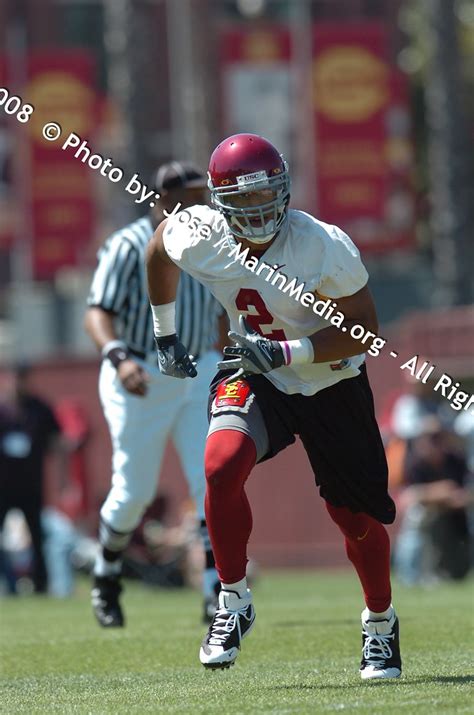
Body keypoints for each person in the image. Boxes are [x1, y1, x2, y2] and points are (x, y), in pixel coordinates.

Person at [146, 133, 402, 679]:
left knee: (353, 517)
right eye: (244, 201)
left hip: (329, 380)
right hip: (255, 373)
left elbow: (365, 333)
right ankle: (232, 598)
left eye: (268, 197)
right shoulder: (201, 235)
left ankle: (380, 624)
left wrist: (287, 349)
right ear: (218, 202)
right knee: (219, 464)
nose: (259, 212)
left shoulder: (322, 244)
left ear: (285, 191)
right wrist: (163, 334)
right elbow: (158, 247)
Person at [85, 161, 226, 627]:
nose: (202, 203)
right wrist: (118, 357)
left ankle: (212, 592)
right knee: (134, 491)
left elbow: (223, 310)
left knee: (212, 479)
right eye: (192, 195)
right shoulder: (127, 245)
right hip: (141, 370)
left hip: (198, 368)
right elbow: (98, 311)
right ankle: (106, 576)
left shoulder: (211, 240)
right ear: (162, 196)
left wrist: (228, 360)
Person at [0, 363, 70, 593]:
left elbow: (57, 442)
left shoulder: (39, 408)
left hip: (31, 484)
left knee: (37, 535)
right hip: (3, 485)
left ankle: (41, 585)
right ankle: (7, 585)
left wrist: (64, 481)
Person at [394, 417, 471, 585]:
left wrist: (456, 496)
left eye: (438, 437)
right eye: (430, 438)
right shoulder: (414, 463)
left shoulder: (456, 460)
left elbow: (467, 491)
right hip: (426, 516)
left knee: (458, 573)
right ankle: (412, 572)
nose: (435, 443)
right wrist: (441, 491)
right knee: (418, 517)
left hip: (455, 518)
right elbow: (408, 497)